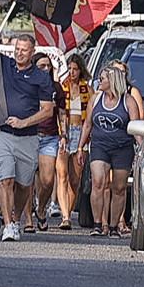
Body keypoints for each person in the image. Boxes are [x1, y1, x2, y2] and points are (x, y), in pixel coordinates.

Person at [0, 34, 53, 242]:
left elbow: (47, 110)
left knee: (24, 184)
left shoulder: (41, 77)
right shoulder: (6, 65)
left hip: (27, 136)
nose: (19, 53)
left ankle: (16, 218)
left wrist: (24, 122)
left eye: (24, 50)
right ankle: (8, 224)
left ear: (32, 52)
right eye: (17, 49)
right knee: (5, 180)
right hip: (2, 133)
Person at [80, 65, 141, 237]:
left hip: (122, 148)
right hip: (100, 146)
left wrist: (142, 148)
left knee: (119, 187)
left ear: (112, 82)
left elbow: (136, 127)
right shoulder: (95, 99)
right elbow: (87, 125)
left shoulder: (128, 101)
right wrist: (80, 148)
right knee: (98, 182)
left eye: (102, 79)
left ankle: (114, 226)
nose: (99, 82)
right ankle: (98, 224)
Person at [32, 55, 66, 232]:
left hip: (50, 137)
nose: (45, 69)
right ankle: (27, 221)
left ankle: (40, 208)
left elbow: (62, 113)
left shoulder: (56, 88)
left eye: (48, 66)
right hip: (29, 135)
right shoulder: (28, 84)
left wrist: (64, 135)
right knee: (26, 179)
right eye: (41, 66)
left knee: (47, 180)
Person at [59, 53, 92, 230]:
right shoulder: (61, 87)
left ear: (81, 70)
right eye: (69, 69)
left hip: (80, 133)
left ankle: (68, 211)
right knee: (61, 174)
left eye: (75, 69)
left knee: (75, 179)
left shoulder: (87, 89)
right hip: (63, 131)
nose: (72, 72)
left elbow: (90, 117)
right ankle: (65, 216)